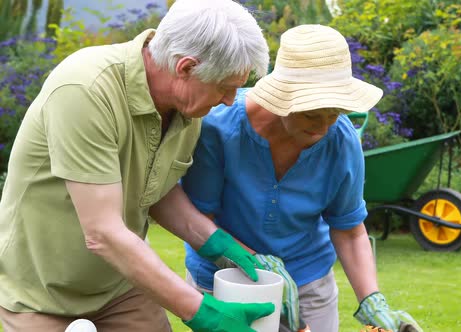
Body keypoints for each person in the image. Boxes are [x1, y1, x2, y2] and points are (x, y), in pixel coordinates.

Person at [0, 1, 275, 331]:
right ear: (185, 67)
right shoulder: (86, 88)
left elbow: (154, 186)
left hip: (121, 286)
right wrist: (203, 311)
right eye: (225, 88)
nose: (231, 100)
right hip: (40, 292)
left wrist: (217, 243)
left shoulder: (187, 107)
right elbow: (103, 232)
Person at [182, 24, 424, 332]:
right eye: (311, 115)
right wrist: (257, 265)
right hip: (224, 279)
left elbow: (348, 230)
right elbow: (198, 219)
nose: (323, 128)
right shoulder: (220, 129)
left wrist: (372, 300)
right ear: (281, 98)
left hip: (307, 280)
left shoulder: (340, 139)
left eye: (334, 113)